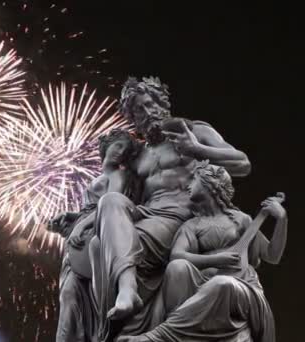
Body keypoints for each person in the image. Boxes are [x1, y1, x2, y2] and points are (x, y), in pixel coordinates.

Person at [92, 76, 251, 341]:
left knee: (106, 247)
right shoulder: (138, 156)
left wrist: (197, 149)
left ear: (162, 104)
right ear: (133, 120)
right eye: (138, 111)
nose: (147, 113)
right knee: (105, 215)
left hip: (178, 217)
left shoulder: (193, 131)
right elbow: (114, 192)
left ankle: (126, 300)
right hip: (146, 216)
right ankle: (127, 291)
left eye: (150, 104)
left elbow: (242, 163)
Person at [117, 161, 287, 342]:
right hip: (204, 283)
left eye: (194, 180)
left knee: (222, 284)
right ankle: (181, 332)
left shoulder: (241, 220)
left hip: (239, 289)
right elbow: (177, 255)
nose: (188, 186)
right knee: (177, 267)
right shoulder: (192, 225)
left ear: (210, 185)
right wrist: (216, 260)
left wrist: (282, 219)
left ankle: (159, 336)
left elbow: (272, 255)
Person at [48, 129, 140, 342]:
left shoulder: (118, 174)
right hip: (78, 243)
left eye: (125, 149)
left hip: (97, 234)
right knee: (68, 296)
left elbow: (109, 202)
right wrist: (70, 217)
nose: (121, 152)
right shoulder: (100, 178)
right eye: (118, 145)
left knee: (81, 296)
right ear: (106, 146)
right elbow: (88, 209)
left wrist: (80, 227)